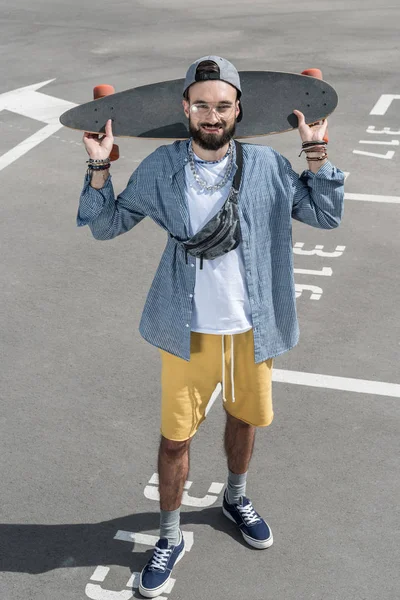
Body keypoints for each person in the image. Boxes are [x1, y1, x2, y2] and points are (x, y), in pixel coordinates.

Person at [78, 56, 344, 598]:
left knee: (245, 418)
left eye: (222, 105)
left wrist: (316, 153)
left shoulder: (267, 165)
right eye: (201, 104)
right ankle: (169, 536)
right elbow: (105, 226)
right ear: (185, 108)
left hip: (255, 326)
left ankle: (236, 496)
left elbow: (324, 215)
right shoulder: (160, 167)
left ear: (238, 109)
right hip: (186, 329)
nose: (212, 115)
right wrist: (100, 167)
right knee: (175, 440)